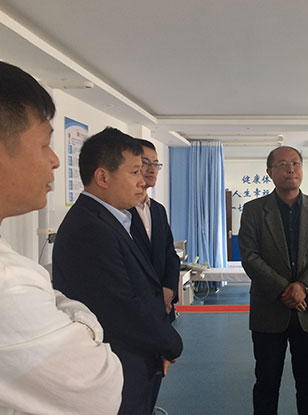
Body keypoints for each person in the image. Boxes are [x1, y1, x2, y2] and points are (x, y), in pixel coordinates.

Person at [0, 61, 123, 414]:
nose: (55, 160)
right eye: (44, 144)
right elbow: (98, 391)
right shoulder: (9, 285)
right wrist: (85, 324)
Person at [52, 128, 183, 414]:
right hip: (118, 360)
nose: (142, 180)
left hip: (138, 353)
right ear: (103, 177)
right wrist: (170, 343)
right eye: (135, 171)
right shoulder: (90, 228)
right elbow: (121, 306)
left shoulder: (111, 219)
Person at [238, 146, 308, 415]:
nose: (291, 169)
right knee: (266, 383)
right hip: (269, 309)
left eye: (295, 163)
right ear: (270, 172)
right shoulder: (254, 210)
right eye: (282, 164)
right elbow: (249, 256)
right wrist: (285, 289)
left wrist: (303, 287)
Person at [129, 138, 181, 411]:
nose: (151, 169)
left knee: (153, 380)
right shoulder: (120, 211)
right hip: (134, 315)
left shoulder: (157, 210)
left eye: (155, 164)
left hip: (161, 309)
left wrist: (169, 291)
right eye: (144, 163)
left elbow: (169, 255)